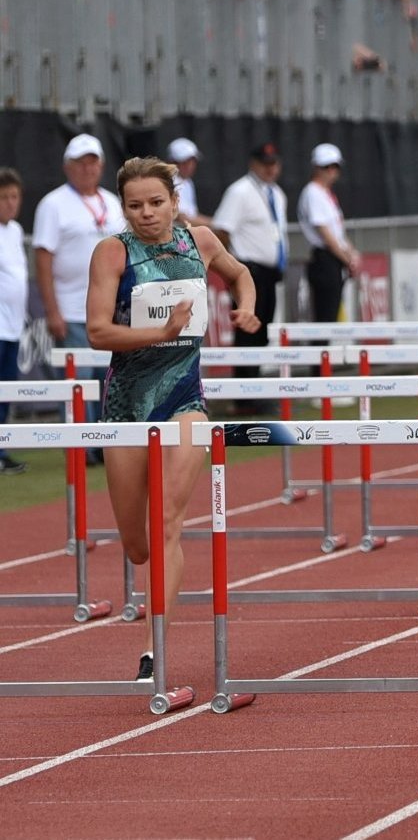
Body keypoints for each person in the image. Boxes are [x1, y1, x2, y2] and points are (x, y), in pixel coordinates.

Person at [84, 156, 258, 681]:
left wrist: (246, 306)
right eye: (135, 205)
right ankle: (149, 604)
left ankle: (152, 647)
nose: (146, 213)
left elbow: (241, 271)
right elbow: (96, 332)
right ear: (124, 207)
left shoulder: (199, 241)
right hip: (126, 404)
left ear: (174, 202)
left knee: (167, 523)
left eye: (156, 202)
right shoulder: (112, 252)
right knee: (137, 545)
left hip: (185, 398)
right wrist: (158, 335)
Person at [33, 134, 126, 462]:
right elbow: (43, 258)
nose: (87, 168)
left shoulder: (112, 203)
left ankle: (106, 446)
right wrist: (52, 310)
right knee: (77, 383)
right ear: (67, 166)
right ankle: (81, 447)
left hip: (110, 311)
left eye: (93, 161)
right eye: (81, 162)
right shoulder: (53, 204)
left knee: (108, 381)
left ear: (101, 165)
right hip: (72, 310)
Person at [210, 141, 287, 392]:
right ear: (253, 164)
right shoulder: (240, 191)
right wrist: (232, 264)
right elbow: (222, 229)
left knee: (261, 331)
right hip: (248, 271)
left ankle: (255, 389)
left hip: (269, 272)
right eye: (265, 164)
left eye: (274, 164)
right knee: (247, 331)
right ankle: (244, 394)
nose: (270, 169)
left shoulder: (276, 194)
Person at [298, 143, 359, 323]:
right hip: (324, 258)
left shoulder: (326, 194)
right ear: (317, 168)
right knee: (325, 317)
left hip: (333, 259)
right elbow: (325, 234)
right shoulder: (313, 193)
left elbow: (338, 232)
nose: (331, 171)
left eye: (335, 167)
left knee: (332, 315)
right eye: (326, 167)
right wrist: (347, 258)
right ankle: (319, 351)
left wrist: (351, 253)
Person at [0, 168, 26, 474]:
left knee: (6, 391)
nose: (10, 203)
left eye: (14, 196)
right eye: (4, 197)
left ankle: (3, 449)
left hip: (13, 327)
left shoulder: (16, 230)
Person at [165, 137, 211, 228]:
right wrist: (219, 225)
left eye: (192, 161)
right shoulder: (168, 182)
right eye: (184, 162)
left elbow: (192, 215)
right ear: (172, 162)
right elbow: (182, 218)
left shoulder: (188, 182)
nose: (189, 166)